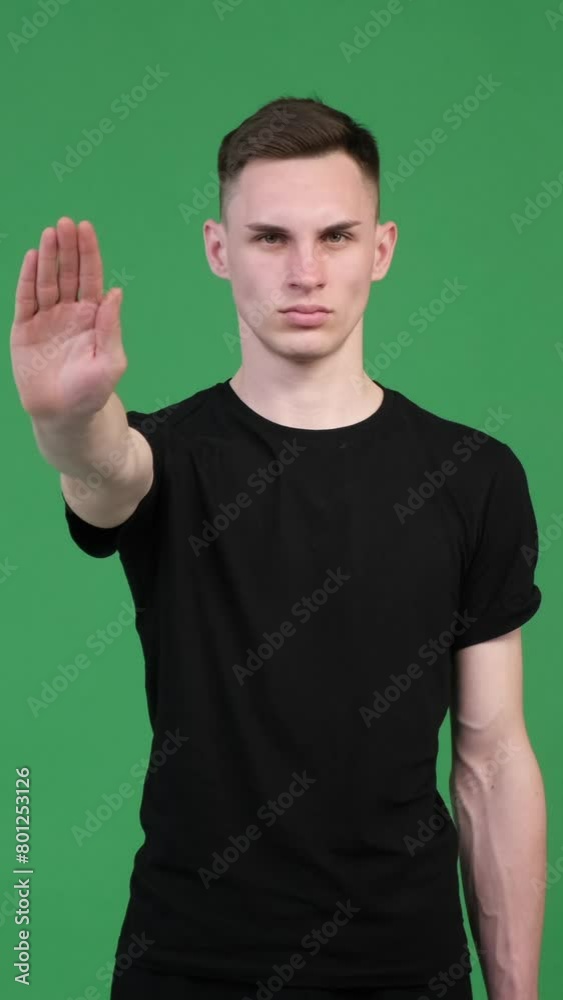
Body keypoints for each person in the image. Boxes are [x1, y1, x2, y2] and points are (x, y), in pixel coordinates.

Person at [11, 96, 546, 1000]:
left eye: (336, 236)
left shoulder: (471, 475)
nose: (305, 271)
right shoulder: (168, 456)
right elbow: (104, 473)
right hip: (189, 967)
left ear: (380, 248)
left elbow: (492, 760)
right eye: (269, 238)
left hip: (405, 970)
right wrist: (66, 419)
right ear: (219, 250)